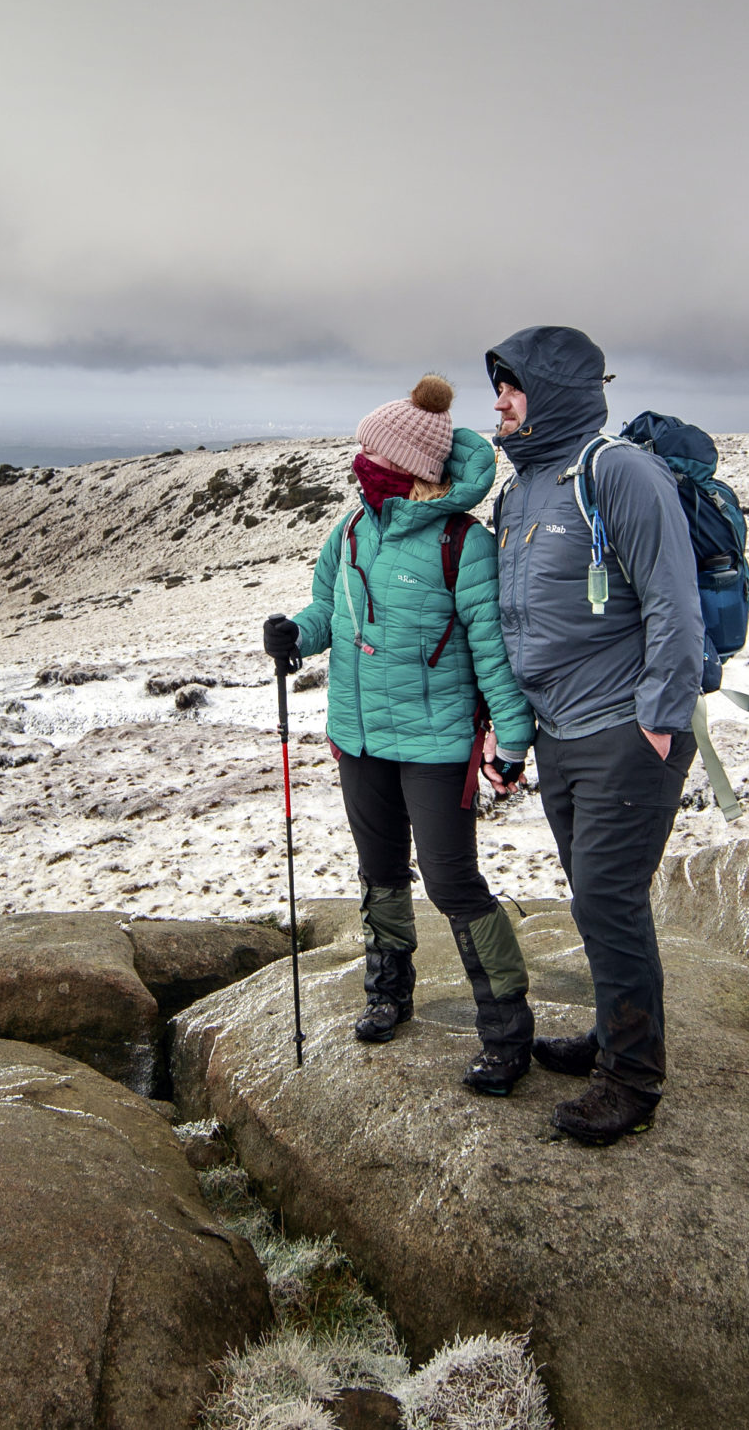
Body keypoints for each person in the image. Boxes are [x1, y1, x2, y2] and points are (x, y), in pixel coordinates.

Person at [262, 376, 538, 1095]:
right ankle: (389, 992)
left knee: (452, 882)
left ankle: (508, 1031)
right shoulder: (352, 529)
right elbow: (330, 610)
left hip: (437, 744)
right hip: (358, 737)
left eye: (369, 449)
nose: (359, 457)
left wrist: (512, 737)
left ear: (407, 464)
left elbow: (491, 650)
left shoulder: (461, 543)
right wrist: (296, 634)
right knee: (379, 870)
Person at [481, 326, 700, 1145]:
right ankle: (614, 1032)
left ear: (555, 390)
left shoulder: (618, 471)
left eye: (511, 385)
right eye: (496, 386)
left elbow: (673, 600)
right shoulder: (525, 489)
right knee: (594, 895)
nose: (498, 400)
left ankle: (633, 1077)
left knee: (606, 896)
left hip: (625, 727)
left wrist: (660, 719)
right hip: (560, 730)